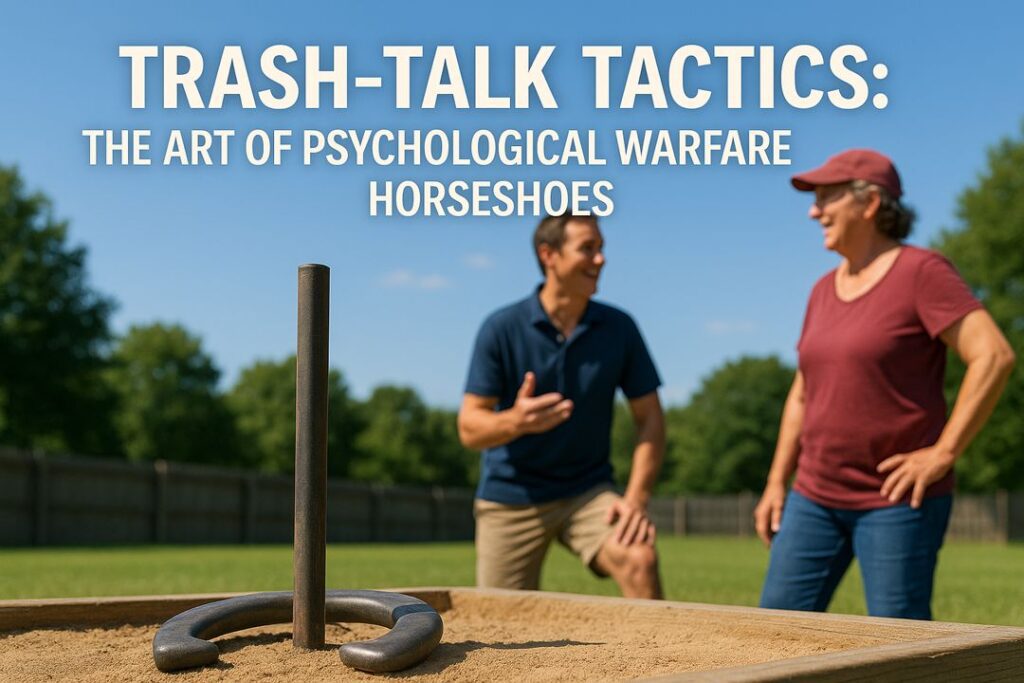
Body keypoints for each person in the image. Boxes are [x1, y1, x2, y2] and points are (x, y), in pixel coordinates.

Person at [755, 149, 1015, 619]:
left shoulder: (922, 272)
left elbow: (993, 355)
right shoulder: (820, 290)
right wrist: (777, 482)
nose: (814, 211)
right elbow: (801, 393)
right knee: (774, 631)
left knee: (898, 644)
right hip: (813, 495)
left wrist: (943, 453)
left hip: (896, 500)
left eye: (826, 198)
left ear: (870, 203)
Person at [457, 213, 665, 599]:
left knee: (638, 556)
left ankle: (675, 663)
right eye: (588, 248)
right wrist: (516, 421)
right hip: (511, 498)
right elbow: (469, 427)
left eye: (601, 248)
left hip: (588, 491)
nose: (600, 259)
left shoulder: (619, 328)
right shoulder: (501, 328)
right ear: (549, 255)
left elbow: (650, 418)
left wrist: (635, 500)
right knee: (501, 624)